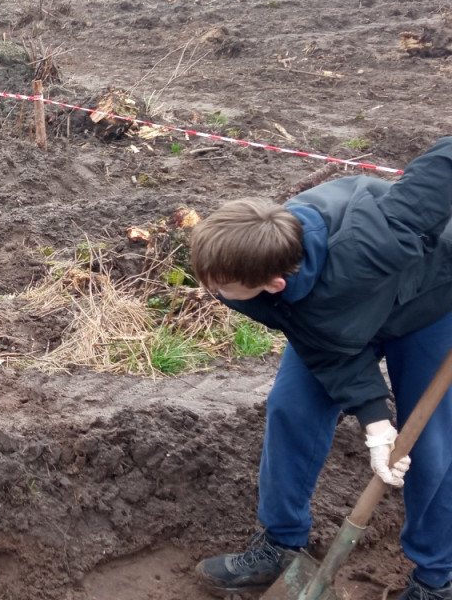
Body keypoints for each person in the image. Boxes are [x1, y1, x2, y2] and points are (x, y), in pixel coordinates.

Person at [188, 136, 452, 600]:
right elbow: (328, 345)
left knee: (429, 444)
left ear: (274, 283)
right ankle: (280, 544)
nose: (214, 292)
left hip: (426, 304)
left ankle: (436, 578)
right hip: (336, 319)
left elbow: (439, 171)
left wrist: (390, 427)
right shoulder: (244, 266)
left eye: (223, 287)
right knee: (292, 407)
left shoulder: (375, 239)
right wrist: (375, 422)